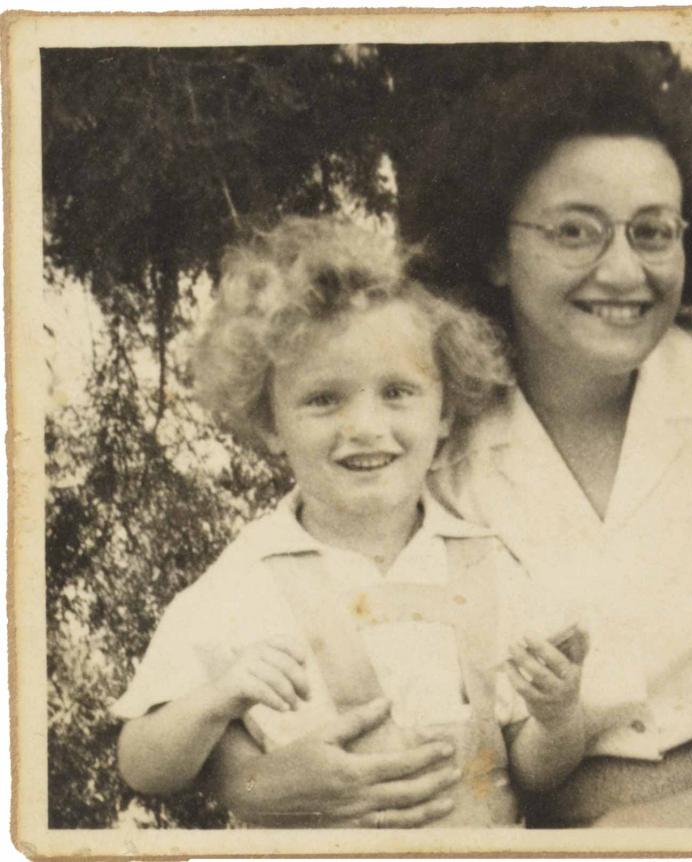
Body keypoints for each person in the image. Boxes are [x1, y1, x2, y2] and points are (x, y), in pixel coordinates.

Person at [113, 217, 590, 827]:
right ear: (268, 424)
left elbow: (533, 771)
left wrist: (558, 716)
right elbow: (141, 763)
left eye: (397, 392)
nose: (365, 425)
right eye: (323, 399)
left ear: (445, 411)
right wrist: (217, 700)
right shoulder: (244, 580)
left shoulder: (488, 564)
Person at [403, 48, 692, 826]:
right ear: (495, 250)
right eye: (577, 231)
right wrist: (247, 769)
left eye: (653, 231)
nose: (624, 270)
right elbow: (307, 577)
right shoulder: (433, 444)